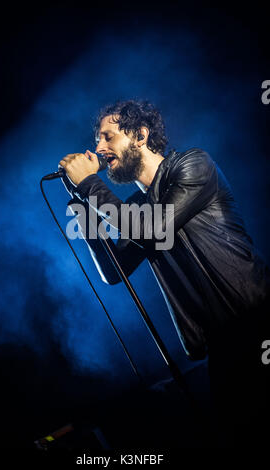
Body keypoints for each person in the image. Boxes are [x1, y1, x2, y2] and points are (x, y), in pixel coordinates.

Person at [59, 100, 270, 447]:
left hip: (256, 322)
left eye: (108, 137)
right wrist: (82, 204)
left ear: (141, 135)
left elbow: (154, 230)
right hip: (222, 347)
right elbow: (114, 272)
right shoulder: (137, 209)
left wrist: (90, 186)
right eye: (99, 141)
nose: (99, 148)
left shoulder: (193, 164)